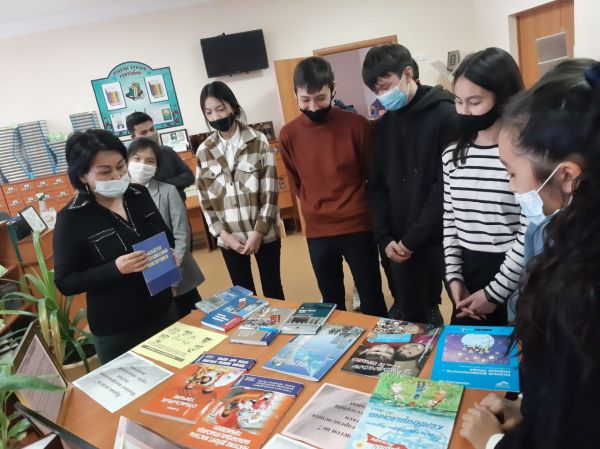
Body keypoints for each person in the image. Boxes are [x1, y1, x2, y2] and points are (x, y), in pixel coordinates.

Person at [460, 60, 600, 449]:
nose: (511, 187)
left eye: (511, 172)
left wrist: (493, 443)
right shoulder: (572, 239)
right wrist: (529, 407)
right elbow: (568, 394)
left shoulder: (580, 290)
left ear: (567, 176)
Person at [53, 129, 179, 364]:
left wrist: (170, 253)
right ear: (82, 176)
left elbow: (165, 236)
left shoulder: (138, 194)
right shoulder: (72, 218)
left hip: (163, 309)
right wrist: (115, 268)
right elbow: (66, 282)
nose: (117, 176)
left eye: (121, 166)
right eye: (105, 172)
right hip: (118, 327)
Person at [279, 57, 387, 317]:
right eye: (305, 100)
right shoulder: (289, 134)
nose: (313, 106)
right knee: (331, 300)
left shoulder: (357, 125)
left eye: (320, 98)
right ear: (295, 94)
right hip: (318, 230)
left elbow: (373, 176)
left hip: (358, 227)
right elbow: (296, 181)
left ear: (333, 89)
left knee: (371, 295)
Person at [362, 43, 459, 324]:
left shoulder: (446, 115)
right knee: (412, 318)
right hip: (398, 243)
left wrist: (412, 239)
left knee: (463, 313)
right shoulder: (382, 128)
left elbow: (446, 186)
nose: (382, 97)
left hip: (444, 237)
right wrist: (385, 237)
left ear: (407, 73)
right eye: (376, 91)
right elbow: (376, 187)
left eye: (385, 87)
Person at [442, 48, 525, 325]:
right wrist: (454, 277)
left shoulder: (523, 157)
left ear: (504, 98)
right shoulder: (452, 155)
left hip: (513, 274)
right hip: (467, 272)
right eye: (458, 101)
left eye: (474, 102)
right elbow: (450, 221)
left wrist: (494, 293)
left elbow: (528, 231)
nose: (464, 111)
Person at [196, 81, 284, 300]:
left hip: (264, 234)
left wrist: (258, 232)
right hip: (230, 239)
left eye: (220, 109)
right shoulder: (204, 151)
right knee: (243, 298)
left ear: (233, 107)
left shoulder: (258, 140)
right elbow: (205, 202)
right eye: (209, 112)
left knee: (273, 290)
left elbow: (270, 192)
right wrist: (225, 236)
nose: (216, 116)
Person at [127, 137, 206, 317]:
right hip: (142, 277)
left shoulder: (168, 191)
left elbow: (182, 236)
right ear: (127, 160)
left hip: (176, 273)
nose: (142, 165)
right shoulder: (120, 195)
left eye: (149, 161)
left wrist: (171, 278)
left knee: (191, 319)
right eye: (137, 159)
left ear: (156, 166)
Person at [126, 112, 194, 200]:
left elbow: (189, 177)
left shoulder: (168, 152)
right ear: (133, 137)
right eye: (143, 133)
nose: (151, 134)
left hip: (177, 202)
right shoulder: (129, 162)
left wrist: (162, 186)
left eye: (152, 129)